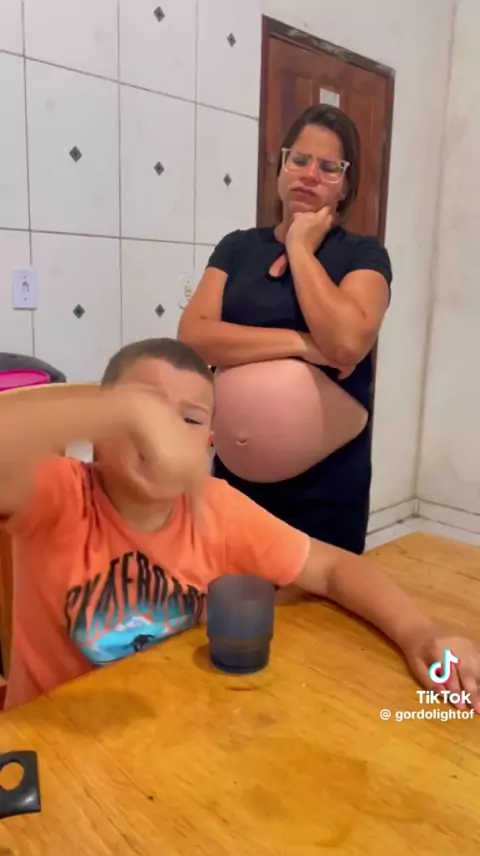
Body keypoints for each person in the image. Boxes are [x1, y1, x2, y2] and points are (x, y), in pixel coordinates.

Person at [1, 337, 479, 713]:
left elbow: (333, 568)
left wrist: (419, 632)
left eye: (188, 421)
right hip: (50, 748)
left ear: (208, 445)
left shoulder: (216, 508)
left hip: (165, 731)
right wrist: (117, 410)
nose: (164, 432)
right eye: (145, 413)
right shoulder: (58, 494)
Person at [178, 105, 392, 555]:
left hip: (325, 490)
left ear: (345, 185)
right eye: (299, 159)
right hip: (236, 488)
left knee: (318, 599)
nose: (310, 174)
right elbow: (194, 338)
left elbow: (346, 343)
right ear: (281, 167)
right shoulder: (237, 247)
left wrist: (299, 247)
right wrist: (301, 345)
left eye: (329, 167)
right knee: (233, 593)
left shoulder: (363, 254)